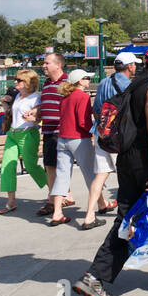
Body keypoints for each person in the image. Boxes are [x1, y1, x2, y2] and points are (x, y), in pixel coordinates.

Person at [74, 43, 148, 296]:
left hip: (129, 160)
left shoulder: (134, 84)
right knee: (130, 220)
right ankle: (96, 276)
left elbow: (145, 124)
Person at [48, 69, 100, 227]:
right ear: (79, 81)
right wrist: (95, 131)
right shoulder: (83, 96)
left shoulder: (65, 97)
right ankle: (95, 209)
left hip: (62, 138)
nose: (88, 80)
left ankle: (57, 212)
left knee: (62, 176)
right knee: (91, 174)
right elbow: (83, 122)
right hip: (79, 139)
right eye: (86, 78)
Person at [91, 52, 139, 218]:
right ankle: (128, 210)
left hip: (102, 133)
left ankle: (90, 214)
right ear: (130, 66)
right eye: (135, 64)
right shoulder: (132, 86)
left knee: (101, 175)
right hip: (123, 136)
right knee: (127, 174)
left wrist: (102, 127)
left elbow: (96, 108)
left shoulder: (104, 82)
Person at [0, 69, 46, 214]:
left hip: (28, 134)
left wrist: (34, 118)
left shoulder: (36, 98)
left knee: (31, 167)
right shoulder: (17, 95)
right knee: (7, 166)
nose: (15, 82)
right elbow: (10, 113)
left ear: (27, 83)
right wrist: (3, 103)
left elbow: (39, 118)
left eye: (19, 80)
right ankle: (10, 202)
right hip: (12, 134)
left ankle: (57, 192)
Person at [36, 52, 73, 216]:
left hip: (60, 132)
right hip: (48, 131)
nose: (43, 66)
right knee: (52, 166)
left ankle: (55, 200)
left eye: (46, 63)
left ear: (58, 65)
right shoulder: (46, 84)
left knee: (57, 167)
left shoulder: (66, 83)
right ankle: (59, 198)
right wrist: (36, 113)